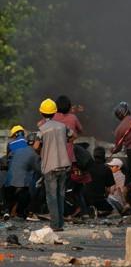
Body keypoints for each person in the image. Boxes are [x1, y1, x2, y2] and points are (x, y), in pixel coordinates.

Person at [33, 98, 74, 231]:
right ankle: (60, 224)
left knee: (51, 196)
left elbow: (36, 146)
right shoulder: (62, 127)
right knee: (61, 195)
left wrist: (42, 151)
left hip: (50, 166)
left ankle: (55, 226)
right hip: (63, 164)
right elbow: (73, 136)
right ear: (55, 112)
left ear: (41, 113)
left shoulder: (42, 129)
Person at [52, 96, 89, 218]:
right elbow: (81, 130)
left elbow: (40, 126)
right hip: (68, 159)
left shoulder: (52, 117)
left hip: (53, 158)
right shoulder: (73, 118)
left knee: (53, 186)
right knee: (67, 186)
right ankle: (74, 209)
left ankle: (58, 213)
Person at [4, 135, 41, 219]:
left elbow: (9, 159)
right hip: (21, 183)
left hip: (9, 181)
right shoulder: (34, 155)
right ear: (36, 143)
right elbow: (40, 170)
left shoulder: (17, 150)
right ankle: (23, 212)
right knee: (35, 183)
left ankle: (8, 211)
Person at [84, 147, 115, 217]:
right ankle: (99, 212)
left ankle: (89, 210)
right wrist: (105, 197)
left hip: (86, 198)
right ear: (103, 156)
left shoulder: (88, 167)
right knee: (112, 211)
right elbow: (108, 189)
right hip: (99, 198)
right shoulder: (107, 169)